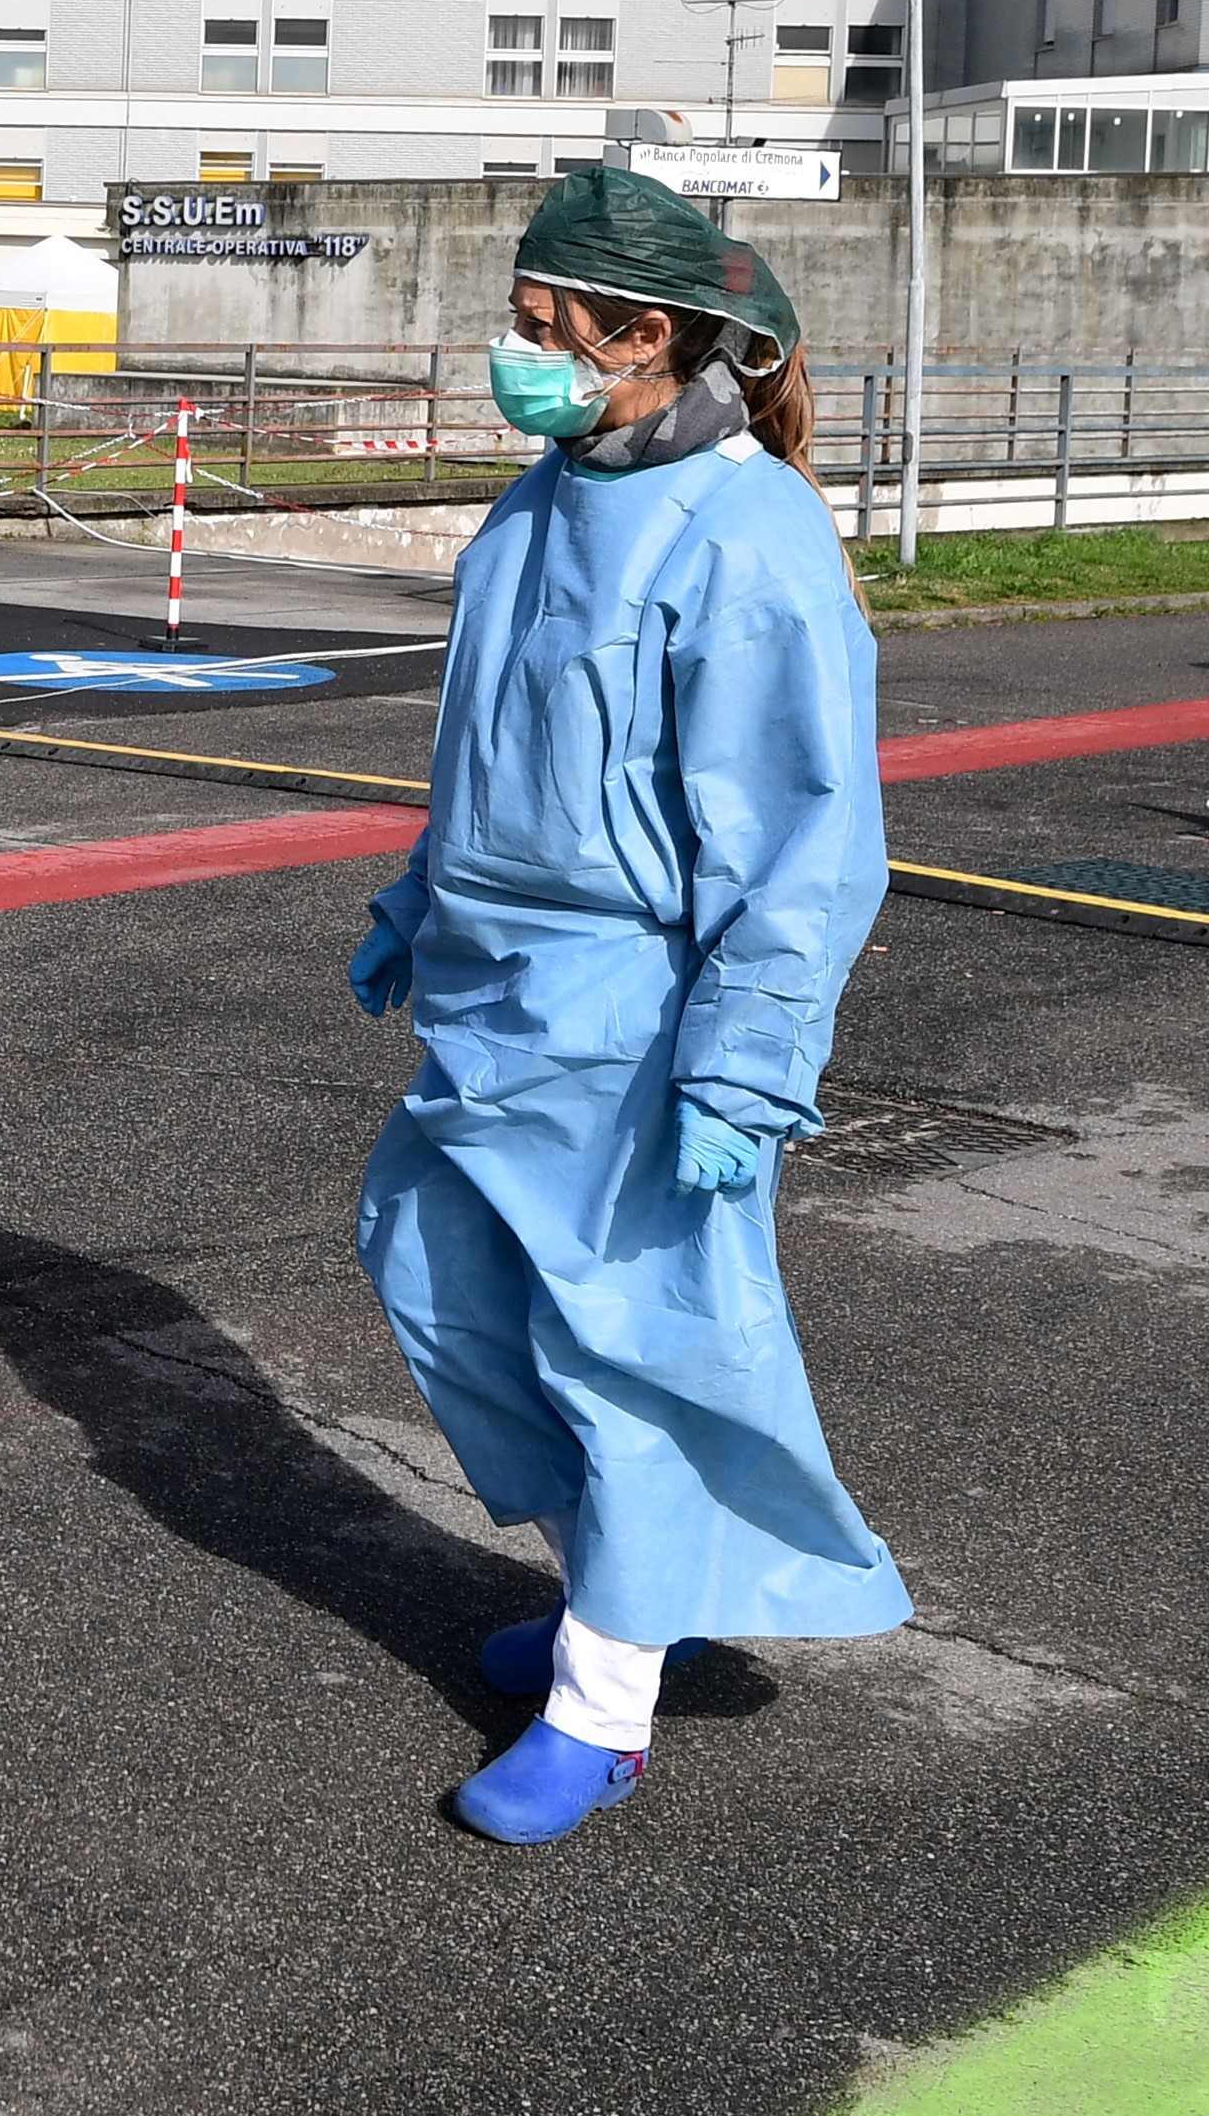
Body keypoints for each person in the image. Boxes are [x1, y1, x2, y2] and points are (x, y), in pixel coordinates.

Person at [346, 166, 908, 1848]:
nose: (512, 354)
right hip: (493, 986)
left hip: (629, 1009)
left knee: (624, 1349)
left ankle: (602, 1702)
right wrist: (413, 900)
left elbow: (805, 833)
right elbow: (487, 755)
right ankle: (624, 1589)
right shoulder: (537, 499)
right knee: (449, 1280)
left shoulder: (749, 537)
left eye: (537, 328)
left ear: (641, 333)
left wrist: (743, 1065)